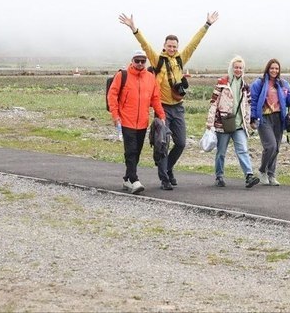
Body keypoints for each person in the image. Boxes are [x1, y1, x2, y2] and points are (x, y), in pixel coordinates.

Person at [119, 11, 219, 188]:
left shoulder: (181, 59)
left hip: (178, 107)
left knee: (180, 143)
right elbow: (145, 45)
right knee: (162, 143)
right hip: (162, 108)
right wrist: (134, 28)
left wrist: (207, 25)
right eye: (169, 46)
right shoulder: (157, 60)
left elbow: (194, 44)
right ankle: (164, 179)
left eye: (174, 46)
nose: (172, 49)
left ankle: (168, 167)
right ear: (164, 46)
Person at [107, 50, 166, 194]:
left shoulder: (150, 78)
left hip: (142, 122)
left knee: (137, 151)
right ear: (132, 61)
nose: (140, 63)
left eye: (142, 61)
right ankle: (134, 179)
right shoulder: (122, 75)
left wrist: (161, 115)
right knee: (131, 150)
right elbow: (112, 95)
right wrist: (115, 116)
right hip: (126, 120)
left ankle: (127, 178)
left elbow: (155, 98)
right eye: (137, 60)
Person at [206, 56, 260, 189]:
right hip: (223, 123)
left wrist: (248, 122)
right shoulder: (222, 83)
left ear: (243, 69)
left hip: (239, 125)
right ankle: (219, 176)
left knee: (243, 150)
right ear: (231, 68)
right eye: (236, 67)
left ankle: (249, 175)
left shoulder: (245, 86)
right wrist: (210, 121)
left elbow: (247, 105)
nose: (238, 70)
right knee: (221, 152)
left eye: (240, 68)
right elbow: (214, 103)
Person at [250, 58, 290, 186]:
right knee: (270, 146)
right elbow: (253, 101)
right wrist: (252, 117)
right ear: (268, 69)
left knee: (276, 148)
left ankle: (271, 174)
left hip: (279, 118)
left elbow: (287, 101)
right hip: (264, 118)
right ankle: (262, 171)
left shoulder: (283, 84)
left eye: (276, 68)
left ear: (279, 70)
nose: (274, 70)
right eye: (272, 68)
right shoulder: (259, 83)